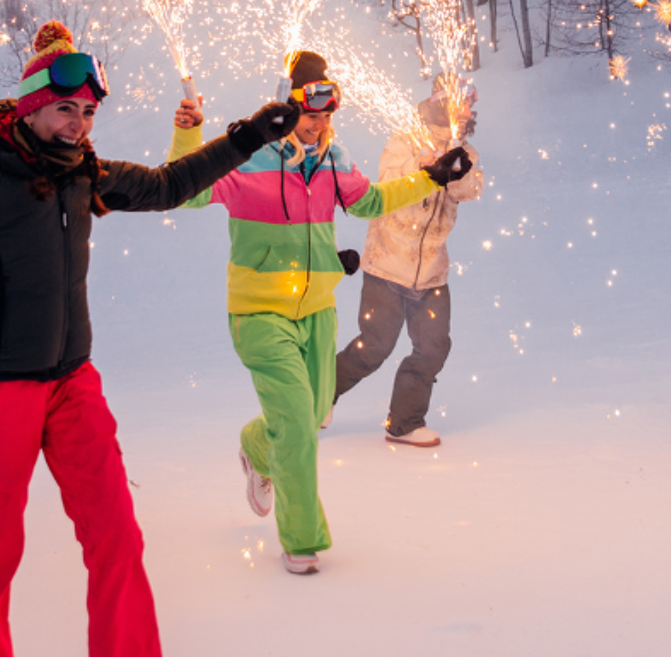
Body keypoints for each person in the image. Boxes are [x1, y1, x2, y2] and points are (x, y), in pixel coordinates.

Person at [0, 22, 299, 657]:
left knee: (117, 539)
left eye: (89, 112)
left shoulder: (83, 172)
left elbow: (171, 184)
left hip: (71, 386)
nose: (80, 124)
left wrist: (250, 134)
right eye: (67, 109)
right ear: (34, 104)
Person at [167, 50, 471, 576]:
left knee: (307, 417)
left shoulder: (334, 159)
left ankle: (256, 446)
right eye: (312, 115)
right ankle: (302, 541)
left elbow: (371, 202)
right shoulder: (249, 158)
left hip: (317, 311)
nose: (321, 125)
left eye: (329, 115)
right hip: (260, 313)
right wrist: (189, 136)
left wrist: (432, 177)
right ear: (289, 110)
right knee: (299, 426)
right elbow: (186, 192)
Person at [333, 76, 486, 448]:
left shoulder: (465, 149)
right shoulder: (406, 139)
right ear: (440, 104)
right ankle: (316, 398)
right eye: (459, 107)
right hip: (387, 265)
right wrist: (424, 169)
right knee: (375, 346)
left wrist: (456, 172)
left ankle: (404, 423)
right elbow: (387, 185)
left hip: (432, 272)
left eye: (469, 109)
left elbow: (472, 190)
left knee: (433, 347)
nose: (465, 116)